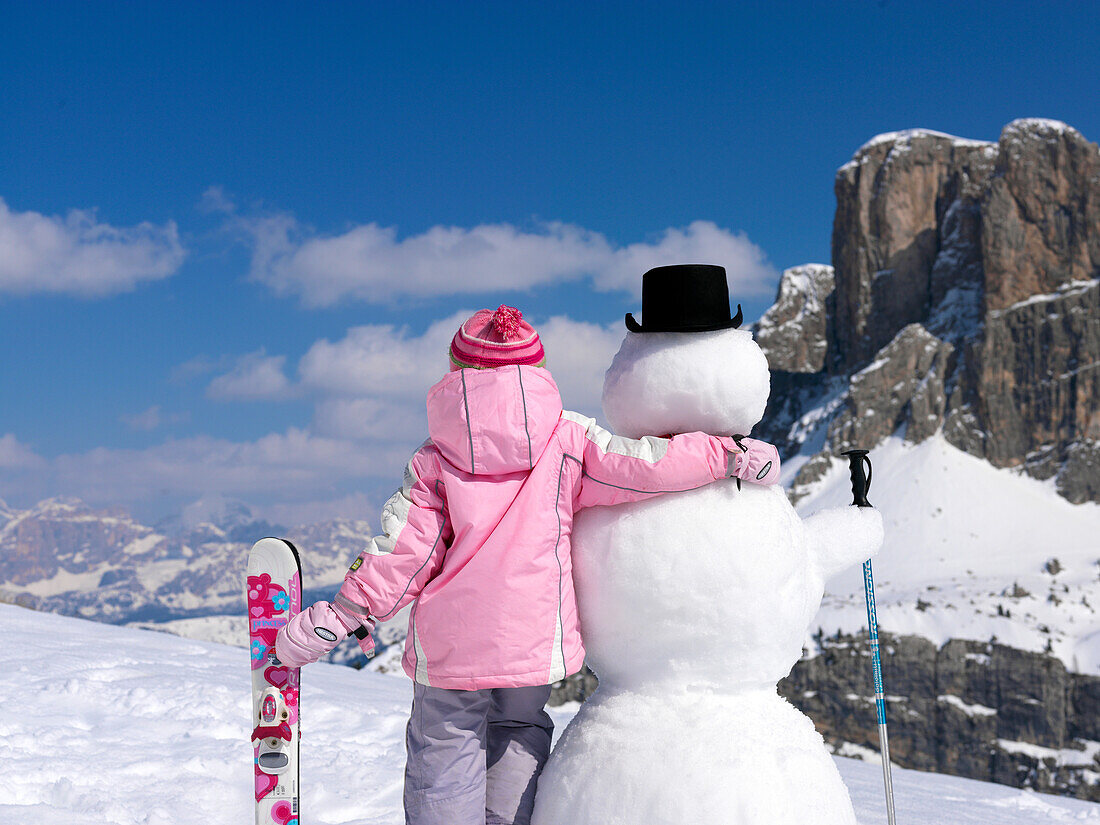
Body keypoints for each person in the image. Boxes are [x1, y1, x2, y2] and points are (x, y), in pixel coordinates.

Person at [275, 304, 782, 825]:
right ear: (536, 371)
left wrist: (340, 615)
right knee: (518, 733)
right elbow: (645, 466)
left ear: (457, 374)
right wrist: (729, 455)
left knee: (443, 749)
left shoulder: (436, 457)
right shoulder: (569, 440)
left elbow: (408, 552)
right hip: (532, 636)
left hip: (454, 644)